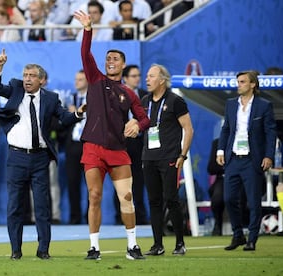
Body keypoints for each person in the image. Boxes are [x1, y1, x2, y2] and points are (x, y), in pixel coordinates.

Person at [0, 49, 84, 260]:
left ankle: (43, 250)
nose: (27, 79)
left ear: (42, 80)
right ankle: (16, 249)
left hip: (40, 158)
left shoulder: (51, 98)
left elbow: (64, 118)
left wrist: (78, 114)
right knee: (14, 206)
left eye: (32, 76)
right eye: (25, 75)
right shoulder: (15, 89)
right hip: (16, 157)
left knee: (42, 207)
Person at [74, 10, 150, 260]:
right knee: (94, 195)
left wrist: (138, 126)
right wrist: (88, 30)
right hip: (93, 148)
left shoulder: (129, 93)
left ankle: (132, 246)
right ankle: (94, 248)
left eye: (115, 58)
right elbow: (85, 54)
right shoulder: (95, 79)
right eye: (108, 58)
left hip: (118, 151)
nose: (110, 61)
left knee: (127, 198)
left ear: (123, 64)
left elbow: (145, 118)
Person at [217, 70, 277, 251]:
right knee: (228, 198)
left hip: (253, 159)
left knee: (253, 201)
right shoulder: (230, 104)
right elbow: (226, 129)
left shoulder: (264, 106)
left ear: (253, 84)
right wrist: (220, 150)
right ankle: (238, 235)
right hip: (233, 158)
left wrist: (269, 155)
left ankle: (252, 238)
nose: (239, 84)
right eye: (238, 81)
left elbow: (270, 132)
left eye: (242, 82)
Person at [141, 64, 193, 256]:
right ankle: (157, 245)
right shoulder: (144, 101)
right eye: (146, 76)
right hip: (149, 158)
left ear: (162, 80)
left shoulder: (175, 101)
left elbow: (189, 129)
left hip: (170, 157)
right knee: (154, 201)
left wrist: (182, 155)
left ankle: (180, 243)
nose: (147, 79)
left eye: (151, 76)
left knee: (171, 199)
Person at [113, 65, 148, 225]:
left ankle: (139, 215)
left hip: (139, 142)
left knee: (139, 180)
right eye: (134, 76)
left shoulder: (145, 96)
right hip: (121, 143)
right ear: (125, 78)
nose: (137, 78)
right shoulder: (116, 94)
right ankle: (119, 216)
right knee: (120, 179)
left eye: (138, 75)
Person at [65, 69, 88, 224]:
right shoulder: (70, 99)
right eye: (76, 79)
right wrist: (71, 114)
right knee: (72, 183)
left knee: (91, 184)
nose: (77, 82)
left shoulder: (93, 99)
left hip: (88, 145)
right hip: (73, 145)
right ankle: (75, 217)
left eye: (80, 79)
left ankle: (89, 217)